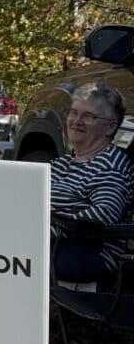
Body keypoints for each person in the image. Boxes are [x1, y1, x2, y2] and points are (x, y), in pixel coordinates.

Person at [51, 81, 134, 286]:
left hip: (87, 251)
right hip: (51, 241)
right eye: (73, 112)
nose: (76, 121)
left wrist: (50, 227)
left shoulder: (111, 166)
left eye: (88, 116)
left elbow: (104, 213)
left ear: (110, 126)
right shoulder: (62, 164)